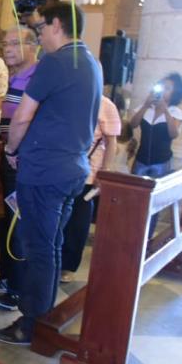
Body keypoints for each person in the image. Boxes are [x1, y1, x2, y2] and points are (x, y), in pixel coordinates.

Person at [0, 2, 101, 345]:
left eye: (41, 29)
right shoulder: (92, 63)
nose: (40, 37)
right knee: (51, 245)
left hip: (44, 170)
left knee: (37, 246)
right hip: (73, 169)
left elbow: (22, 116)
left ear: (57, 25)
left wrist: (10, 149)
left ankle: (30, 323)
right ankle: (44, 316)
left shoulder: (56, 62)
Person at [0, 25, 39, 312]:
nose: (7, 49)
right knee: (8, 221)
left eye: (15, 44)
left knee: (19, 225)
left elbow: (29, 121)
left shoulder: (36, 77)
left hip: (22, 159)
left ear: (33, 47)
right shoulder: (14, 77)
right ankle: (6, 277)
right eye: (5, 44)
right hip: (8, 156)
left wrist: (15, 150)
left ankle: (18, 288)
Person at [60, 95, 121, 283]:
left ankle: (68, 265)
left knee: (78, 222)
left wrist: (105, 172)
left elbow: (111, 142)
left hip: (88, 171)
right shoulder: (66, 96)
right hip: (60, 167)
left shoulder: (105, 105)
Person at [129, 73, 182, 177]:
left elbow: (173, 134)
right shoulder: (147, 108)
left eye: (167, 88)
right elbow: (133, 124)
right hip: (140, 160)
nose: (163, 91)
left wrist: (165, 111)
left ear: (174, 94)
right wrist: (145, 105)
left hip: (161, 162)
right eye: (162, 87)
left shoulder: (175, 112)